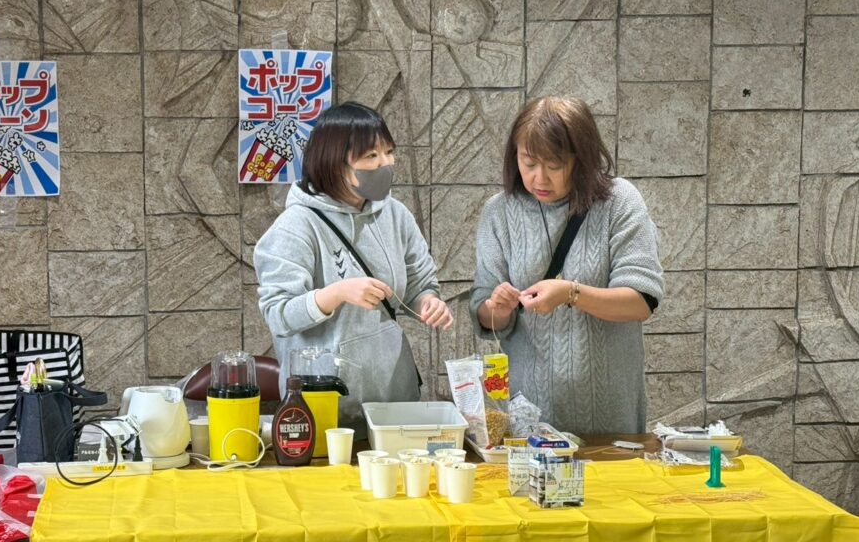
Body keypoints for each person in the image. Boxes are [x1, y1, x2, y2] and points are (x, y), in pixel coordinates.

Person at [471, 96, 664, 436]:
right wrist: (497, 307)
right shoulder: (499, 212)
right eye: (528, 163)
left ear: (581, 158)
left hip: (609, 417)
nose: (539, 178)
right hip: (528, 420)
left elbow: (641, 301)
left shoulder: (619, 201)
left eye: (554, 165)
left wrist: (571, 293)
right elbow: (485, 315)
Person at [254, 101, 452, 427]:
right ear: (334, 163)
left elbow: (420, 282)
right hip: (325, 406)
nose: (385, 163)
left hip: (393, 399)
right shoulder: (296, 226)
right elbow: (278, 314)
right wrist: (337, 293)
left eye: (388, 152)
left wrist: (429, 303)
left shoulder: (395, 215)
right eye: (371, 156)